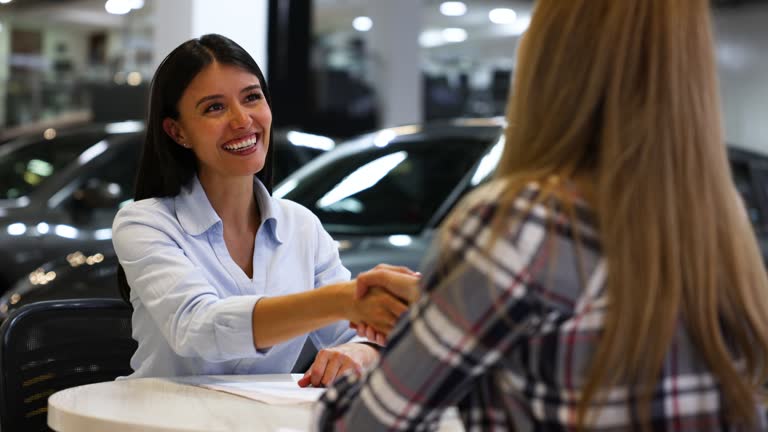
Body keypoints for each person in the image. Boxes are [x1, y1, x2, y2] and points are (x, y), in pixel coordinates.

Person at [315, 0, 768, 430]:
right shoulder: (722, 230)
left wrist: (429, 326)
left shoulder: (522, 224)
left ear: (551, 64)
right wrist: (447, 307)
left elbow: (364, 424)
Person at [112, 34, 407, 386]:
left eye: (252, 97)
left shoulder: (301, 225)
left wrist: (361, 352)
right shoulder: (145, 222)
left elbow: (355, 335)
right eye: (214, 108)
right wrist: (343, 300)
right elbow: (198, 327)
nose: (242, 120)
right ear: (178, 132)